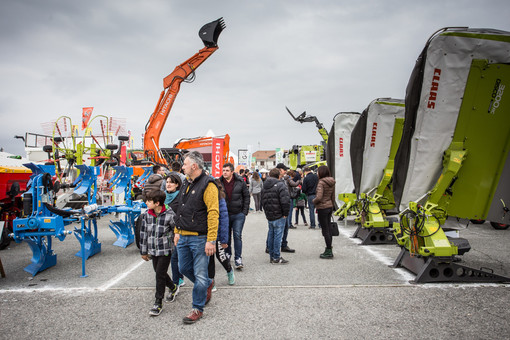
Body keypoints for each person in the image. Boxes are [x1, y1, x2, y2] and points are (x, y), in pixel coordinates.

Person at [174, 151, 218, 324]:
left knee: (199, 275)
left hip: (200, 238)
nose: (182, 167)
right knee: (183, 268)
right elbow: (181, 209)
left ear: (194, 166)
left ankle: (197, 308)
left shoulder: (209, 185)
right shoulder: (186, 182)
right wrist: (177, 230)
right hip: (183, 235)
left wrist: (211, 240)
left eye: (184, 164)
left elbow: (213, 213)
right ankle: (207, 283)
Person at [139, 190, 179, 316]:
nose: (146, 203)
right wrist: (143, 251)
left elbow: (176, 230)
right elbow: (143, 233)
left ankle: (158, 302)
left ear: (157, 203)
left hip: (165, 250)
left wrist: (173, 241)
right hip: (152, 249)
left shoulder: (170, 214)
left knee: (159, 274)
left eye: (149, 201)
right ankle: (173, 287)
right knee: (158, 272)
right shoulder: (146, 215)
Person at [219, 162, 250, 270]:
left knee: (237, 235)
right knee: (226, 236)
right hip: (224, 215)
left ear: (232, 172)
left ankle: (238, 258)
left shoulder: (240, 181)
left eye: (227, 170)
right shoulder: (218, 182)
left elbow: (246, 196)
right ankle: (228, 254)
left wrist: (244, 211)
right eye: (223, 170)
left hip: (238, 214)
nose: (224, 172)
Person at [208, 178, 235, 287]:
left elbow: (224, 220)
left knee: (221, 257)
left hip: (218, 235)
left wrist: (224, 240)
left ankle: (229, 270)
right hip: (207, 234)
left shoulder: (220, 199)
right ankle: (211, 282)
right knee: (209, 260)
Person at [261, 168, 290, 264]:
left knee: (271, 235)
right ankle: (276, 257)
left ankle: (272, 256)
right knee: (278, 236)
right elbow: (285, 200)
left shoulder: (265, 185)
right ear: (278, 175)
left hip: (270, 214)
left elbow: (263, 200)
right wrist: (286, 213)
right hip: (279, 214)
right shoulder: (281, 185)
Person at [165, 173, 185, 288]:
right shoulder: (163, 196)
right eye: (167, 182)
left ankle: (176, 281)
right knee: (173, 256)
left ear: (177, 184)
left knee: (175, 256)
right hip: (166, 231)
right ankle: (179, 278)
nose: (168, 184)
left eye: (171, 182)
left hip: (178, 230)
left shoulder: (180, 196)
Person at [313, 165, 336, 259]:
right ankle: (329, 248)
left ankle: (328, 250)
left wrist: (313, 201)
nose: (317, 173)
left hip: (322, 207)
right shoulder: (332, 182)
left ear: (321, 172)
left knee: (325, 229)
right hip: (329, 206)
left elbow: (319, 197)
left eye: (318, 172)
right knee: (329, 228)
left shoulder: (321, 183)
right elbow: (333, 196)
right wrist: (332, 205)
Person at [275, 163, 296, 253]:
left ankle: (284, 244)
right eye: (284, 170)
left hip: (285, 205)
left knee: (286, 226)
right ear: (280, 170)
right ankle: (270, 246)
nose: (286, 171)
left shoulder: (284, 179)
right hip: (278, 207)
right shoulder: (274, 180)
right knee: (275, 228)